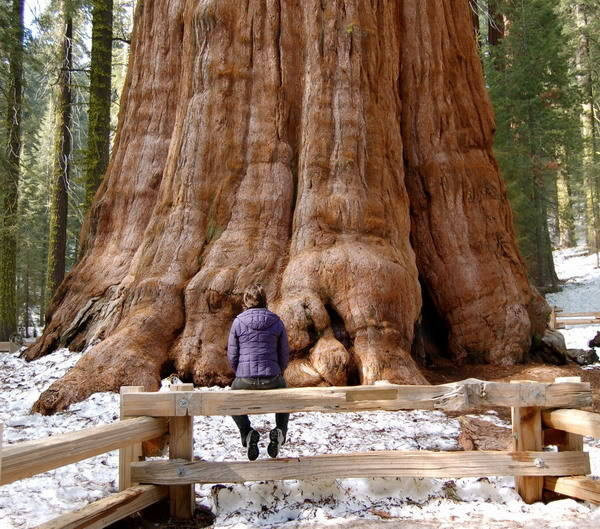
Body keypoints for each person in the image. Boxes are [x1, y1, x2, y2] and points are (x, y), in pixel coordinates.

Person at [227, 284, 290, 460]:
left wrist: (240, 372)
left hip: (244, 380)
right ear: (265, 301)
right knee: (285, 395)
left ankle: (247, 432)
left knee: (230, 400)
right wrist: (278, 371)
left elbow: (232, 355)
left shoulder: (238, 321)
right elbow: (284, 354)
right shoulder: (276, 321)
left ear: (246, 301)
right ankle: (280, 431)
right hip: (272, 378)